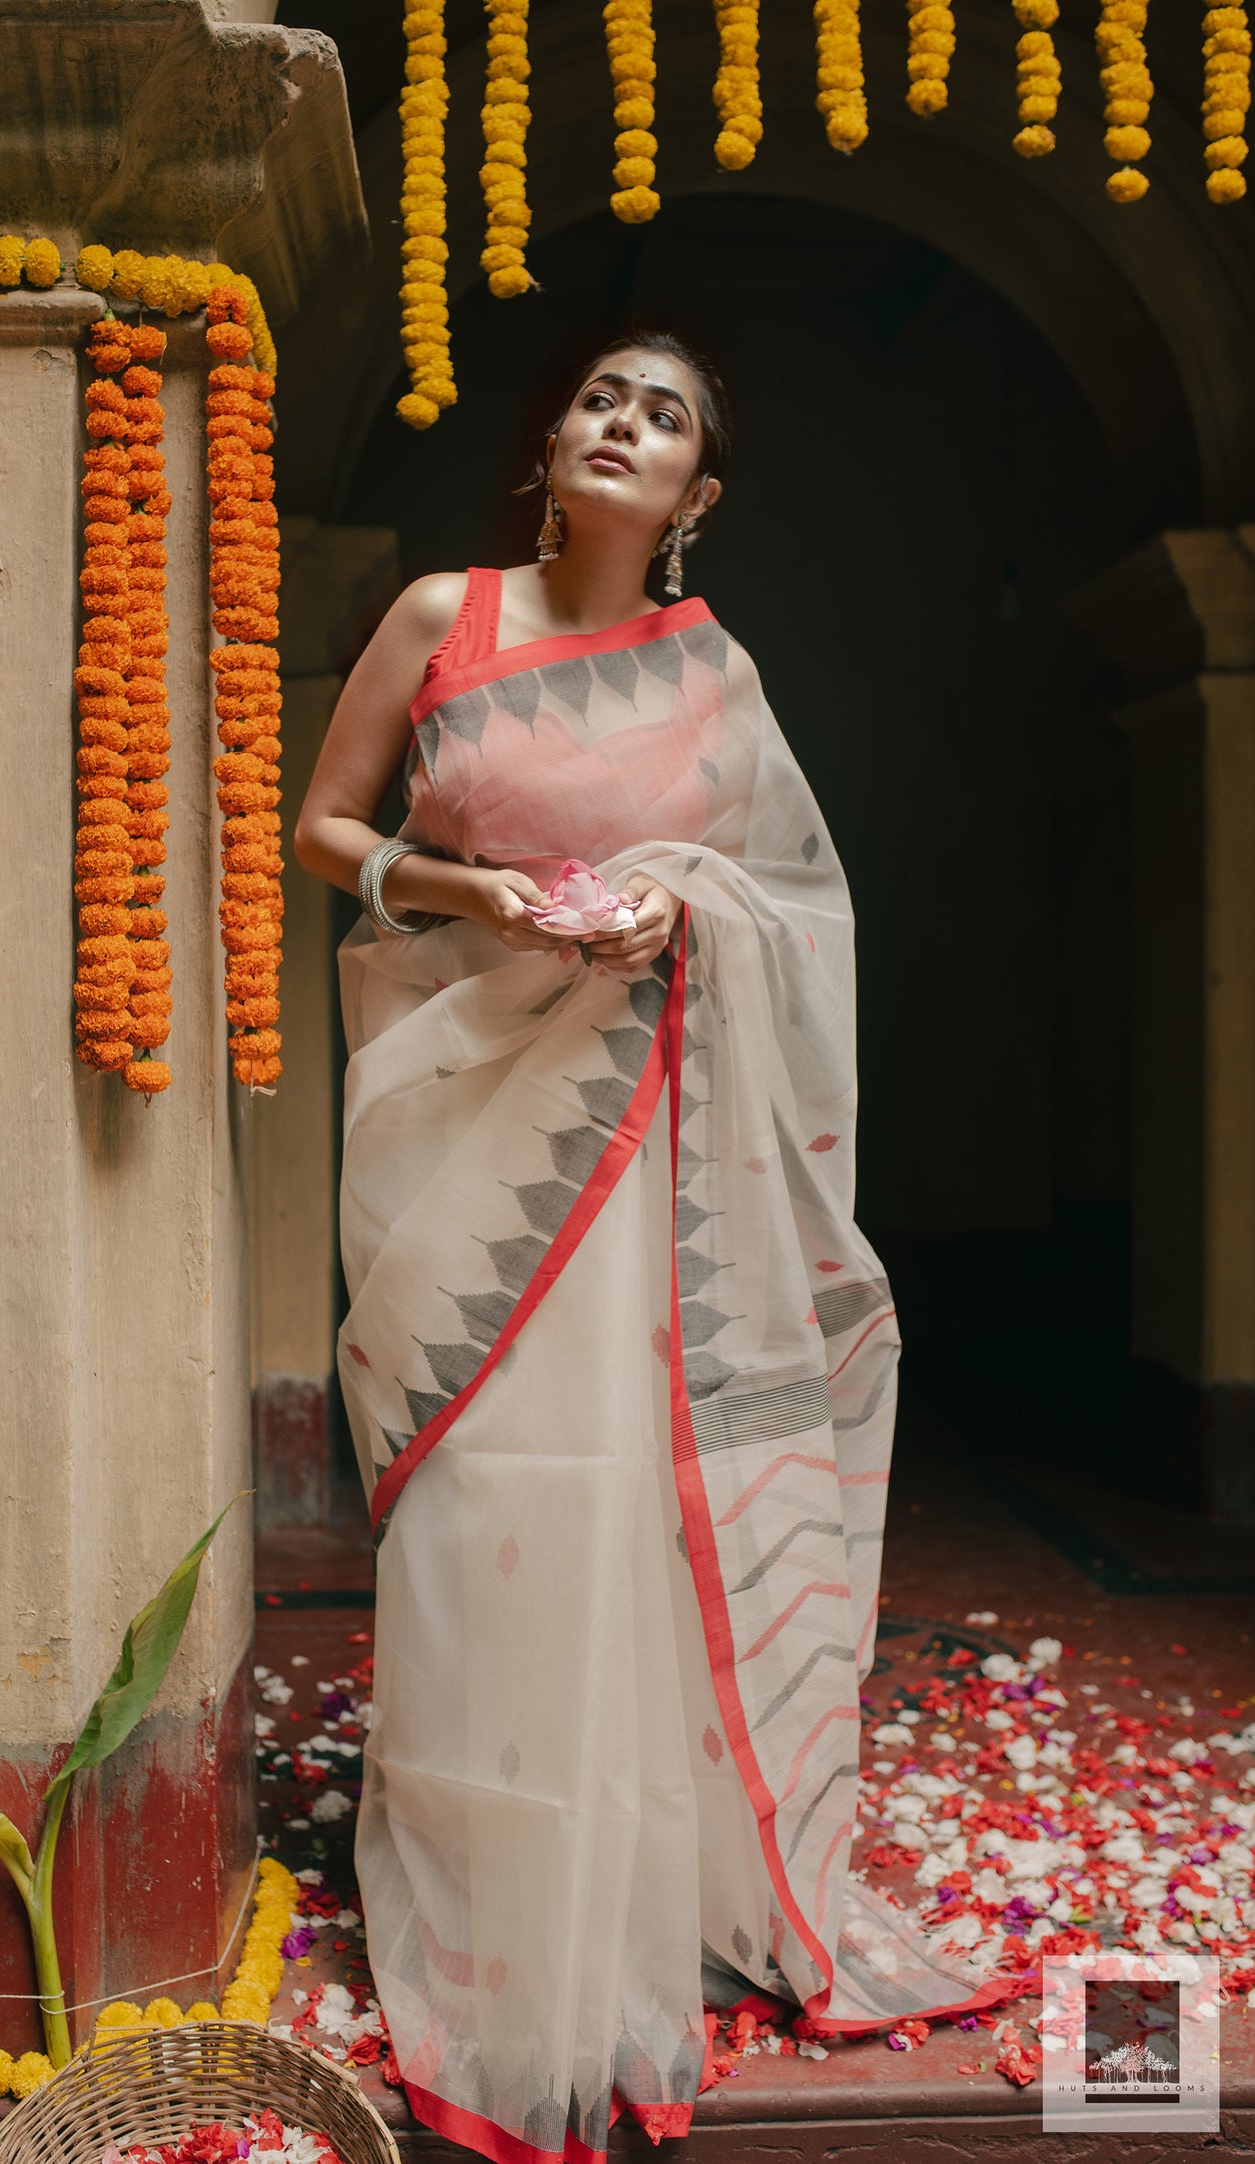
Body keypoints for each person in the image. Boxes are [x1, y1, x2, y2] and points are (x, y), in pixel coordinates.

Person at [293, 333, 1004, 2164]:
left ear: (695, 501)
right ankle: (490, 1912)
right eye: (604, 397)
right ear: (555, 443)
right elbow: (325, 827)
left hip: (662, 1162)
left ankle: (636, 1890)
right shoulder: (443, 614)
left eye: (664, 417)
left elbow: (792, 901)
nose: (623, 424)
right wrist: (485, 895)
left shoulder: (712, 669)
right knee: (484, 1511)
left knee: (630, 1506)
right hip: (468, 1130)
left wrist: (677, 907)